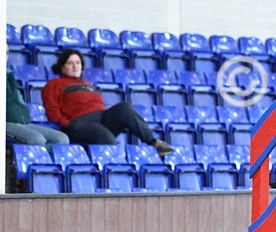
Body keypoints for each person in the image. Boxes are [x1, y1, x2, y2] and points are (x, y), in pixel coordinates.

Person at [41, 49, 174, 155]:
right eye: (70, 63)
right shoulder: (54, 84)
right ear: (62, 68)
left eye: (78, 62)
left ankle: (154, 142)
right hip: (78, 124)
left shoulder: (88, 84)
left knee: (124, 108)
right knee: (101, 133)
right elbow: (52, 111)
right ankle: (117, 168)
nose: (75, 66)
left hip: (101, 118)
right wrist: (67, 124)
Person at [6, 66, 69, 147]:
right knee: (37, 140)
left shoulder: (9, 75)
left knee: (62, 139)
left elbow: (19, 102)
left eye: (6, 53)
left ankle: (40, 156)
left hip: (23, 122)